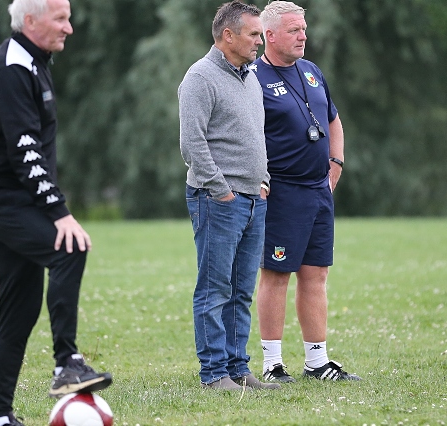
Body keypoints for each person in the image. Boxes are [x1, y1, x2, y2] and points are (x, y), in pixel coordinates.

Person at [0, 0, 112, 424]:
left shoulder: (34, 60)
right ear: (30, 21)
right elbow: (25, 149)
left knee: (19, 310)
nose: (69, 27)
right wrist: (60, 213)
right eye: (60, 18)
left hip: (16, 197)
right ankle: (67, 363)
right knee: (70, 248)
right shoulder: (13, 66)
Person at [253, 1, 361, 382]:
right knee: (277, 274)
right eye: (294, 30)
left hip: (318, 191)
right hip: (281, 192)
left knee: (315, 274)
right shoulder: (253, 77)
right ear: (270, 35)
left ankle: (317, 362)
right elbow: (244, 135)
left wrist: (336, 162)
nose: (303, 35)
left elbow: (332, 119)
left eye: (304, 28)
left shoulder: (312, 71)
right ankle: (272, 365)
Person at [178, 1, 280, 392]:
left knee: (241, 290)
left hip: (255, 199)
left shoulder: (249, 77)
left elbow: (256, 138)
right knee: (215, 288)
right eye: (254, 34)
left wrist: (264, 180)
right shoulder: (200, 78)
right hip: (218, 200)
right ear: (228, 35)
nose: (260, 41)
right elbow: (192, 143)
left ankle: (239, 369)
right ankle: (214, 374)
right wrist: (221, 191)